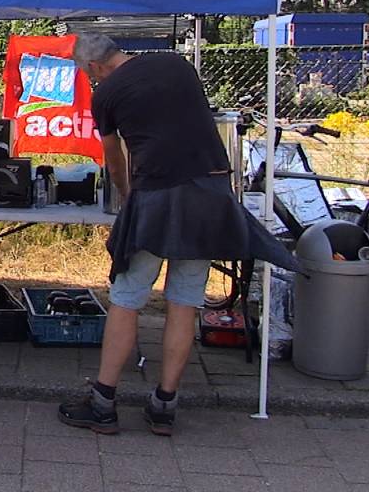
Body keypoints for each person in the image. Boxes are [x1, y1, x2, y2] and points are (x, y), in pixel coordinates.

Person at [59, 34, 300, 437]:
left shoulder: (107, 94)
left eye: (89, 74)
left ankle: (103, 403)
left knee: (126, 298)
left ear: (93, 68)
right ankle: (164, 405)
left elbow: (114, 160)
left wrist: (125, 196)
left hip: (157, 199)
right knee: (184, 301)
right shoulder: (177, 65)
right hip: (209, 197)